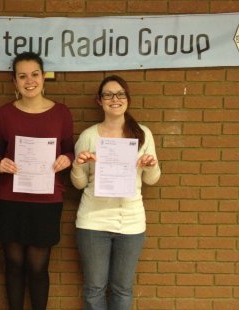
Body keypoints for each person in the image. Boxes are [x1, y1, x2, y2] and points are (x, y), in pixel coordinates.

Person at [0, 51, 74, 310]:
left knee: (38, 267)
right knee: (13, 266)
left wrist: (67, 159)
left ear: (43, 77)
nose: (29, 81)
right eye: (22, 76)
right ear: (14, 81)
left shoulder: (61, 113)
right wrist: (0, 163)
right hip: (8, 199)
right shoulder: (4, 113)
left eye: (35, 74)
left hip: (46, 200)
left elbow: (70, 149)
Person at [70, 75, 161, 310]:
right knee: (94, 289)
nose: (115, 99)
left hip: (131, 223)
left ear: (127, 98)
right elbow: (79, 184)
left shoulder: (143, 134)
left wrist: (150, 165)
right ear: (99, 101)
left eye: (120, 93)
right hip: (93, 222)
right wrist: (78, 165)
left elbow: (151, 180)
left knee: (122, 289)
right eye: (108, 94)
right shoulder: (89, 136)